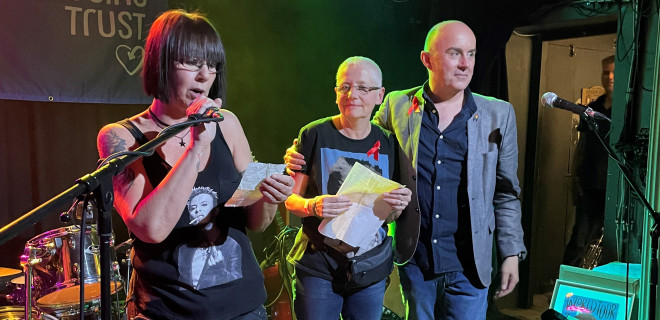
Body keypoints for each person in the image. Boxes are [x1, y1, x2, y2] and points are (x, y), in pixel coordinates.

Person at [285, 21, 526, 319]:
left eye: (471, 54)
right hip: (417, 259)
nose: (465, 64)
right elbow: (359, 142)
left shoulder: (498, 114)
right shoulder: (397, 105)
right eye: (454, 53)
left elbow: (506, 192)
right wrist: (299, 154)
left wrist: (511, 253)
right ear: (427, 60)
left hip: (470, 264)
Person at [96, 9, 294, 320]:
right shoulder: (122, 137)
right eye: (191, 62)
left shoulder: (227, 123)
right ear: (160, 62)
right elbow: (150, 229)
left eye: (212, 65)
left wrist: (270, 196)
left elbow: (256, 222)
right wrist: (197, 146)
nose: (205, 75)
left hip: (244, 309)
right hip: (170, 312)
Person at [284, 56, 412, 320]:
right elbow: (290, 199)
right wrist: (312, 205)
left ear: (380, 95)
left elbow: (387, 215)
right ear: (336, 94)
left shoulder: (389, 142)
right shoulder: (314, 133)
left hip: (370, 266)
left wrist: (397, 206)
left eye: (363, 88)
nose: (352, 94)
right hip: (319, 262)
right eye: (345, 87)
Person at [562, 55, 615, 267]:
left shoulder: (627, 108)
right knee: (580, 238)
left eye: (614, 72)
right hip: (590, 185)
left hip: (614, 190)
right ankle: (567, 287)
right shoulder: (593, 108)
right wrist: (575, 179)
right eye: (605, 72)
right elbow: (582, 145)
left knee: (605, 242)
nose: (609, 77)